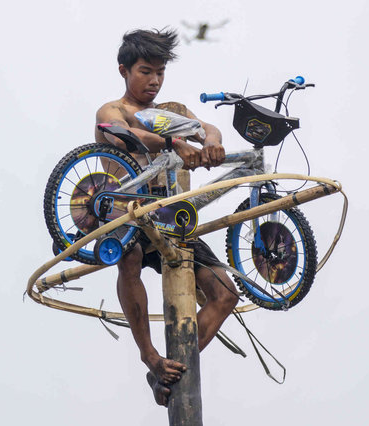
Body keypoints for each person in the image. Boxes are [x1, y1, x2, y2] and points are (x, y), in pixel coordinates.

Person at [94, 28, 239, 407]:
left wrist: (210, 143)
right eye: (145, 71)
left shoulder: (172, 113)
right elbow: (125, 135)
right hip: (127, 212)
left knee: (225, 295)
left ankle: (168, 369)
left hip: (173, 219)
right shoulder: (113, 110)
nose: (154, 80)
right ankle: (149, 355)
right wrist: (176, 143)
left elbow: (207, 127)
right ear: (124, 70)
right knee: (130, 256)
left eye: (160, 72)